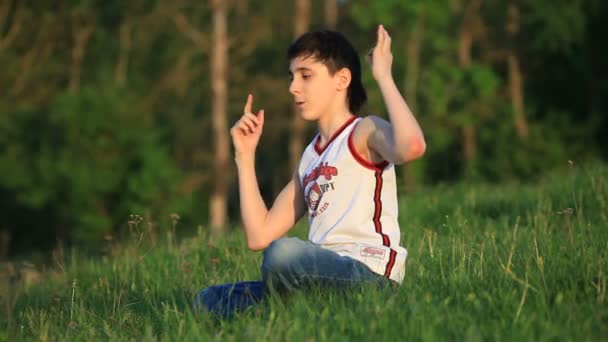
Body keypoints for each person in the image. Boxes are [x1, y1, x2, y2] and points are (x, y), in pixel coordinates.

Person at [194, 25, 426, 318]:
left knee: (284, 255)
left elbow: (412, 147)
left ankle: (281, 313)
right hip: (317, 275)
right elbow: (259, 235)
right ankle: (296, 311)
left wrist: (383, 77)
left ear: (342, 79)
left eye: (306, 76)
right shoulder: (309, 158)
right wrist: (245, 155)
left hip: (369, 276)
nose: (293, 87)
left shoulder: (364, 131)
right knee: (210, 299)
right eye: (291, 77)